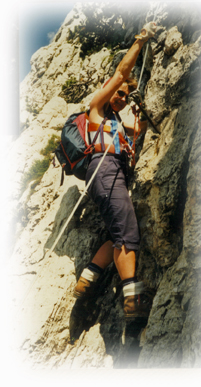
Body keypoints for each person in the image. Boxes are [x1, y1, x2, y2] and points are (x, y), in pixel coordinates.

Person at [73, 22, 156, 321]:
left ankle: (87, 283)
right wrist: (140, 41)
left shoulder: (118, 124)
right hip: (105, 171)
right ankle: (133, 303)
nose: (120, 98)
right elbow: (121, 73)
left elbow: (142, 126)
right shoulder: (95, 109)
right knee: (128, 234)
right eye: (118, 94)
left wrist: (138, 113)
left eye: (124, 96)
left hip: (106, 176)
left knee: (114, 234)